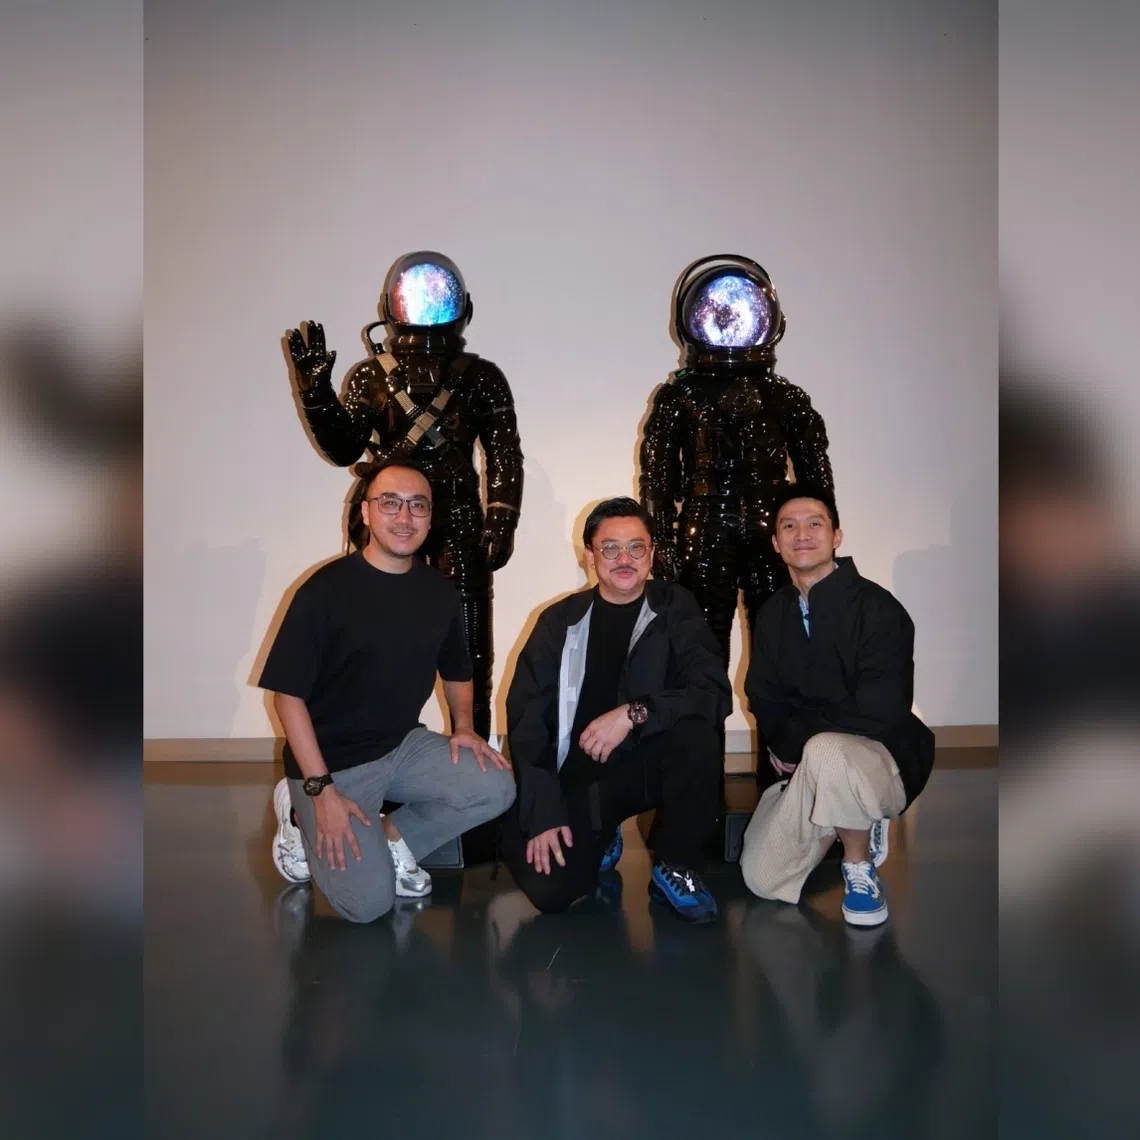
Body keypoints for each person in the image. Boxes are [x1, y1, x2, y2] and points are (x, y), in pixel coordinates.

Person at [258, 459, 515, 923]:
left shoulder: (439, 593)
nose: (404, 516)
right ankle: (298, 817)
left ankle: (393, 839)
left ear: (430, 518)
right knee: (367, 907)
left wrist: (464, 728)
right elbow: (286, 697)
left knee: (494, 785)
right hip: (331, 764)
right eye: (390, 503)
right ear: (366, 513)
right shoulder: (325, 591)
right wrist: (320, 791)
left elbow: (458, 669)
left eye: (417, 505)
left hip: (401, 746)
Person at [501, 497, 730, 924]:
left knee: (697, 734)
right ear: (589, 555)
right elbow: (526, 717)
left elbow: (712, 692)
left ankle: (674, 864)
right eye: (610, 548)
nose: (624, 559)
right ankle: (602, 837)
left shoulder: (674, 606)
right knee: (550, 891)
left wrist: (633, 713)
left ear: (652, 555)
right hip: (580, 779)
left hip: (645, 765)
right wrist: (544, 809)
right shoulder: (558, 620)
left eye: (636, 547)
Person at [739, 482, 934, 926]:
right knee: (762, 879)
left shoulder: (879, 608)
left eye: (815, 523)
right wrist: (785, 743)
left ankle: (858, 863)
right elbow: (762, 692)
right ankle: (844, 806)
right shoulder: (773, 613)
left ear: (837, 536)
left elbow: (882, 708)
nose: (801, 534)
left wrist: (796, 741)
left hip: (882, 757)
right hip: (807, 759)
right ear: (776, 541)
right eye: (789, 526)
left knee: (827, 749)